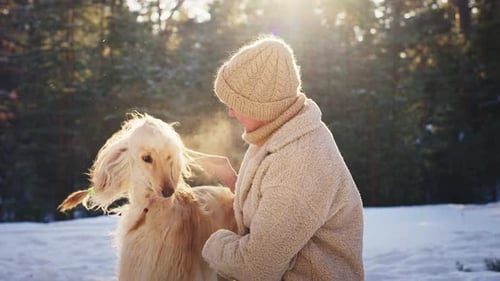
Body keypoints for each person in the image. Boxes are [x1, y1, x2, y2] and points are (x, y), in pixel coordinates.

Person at [197, 35, 364, 281]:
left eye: (236, 104)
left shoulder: (300, 163)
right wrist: (233, 181)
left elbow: (256, 268)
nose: (230, 112)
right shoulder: (281, 129)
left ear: (262, 106)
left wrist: (208, 240)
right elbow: (275, 202)